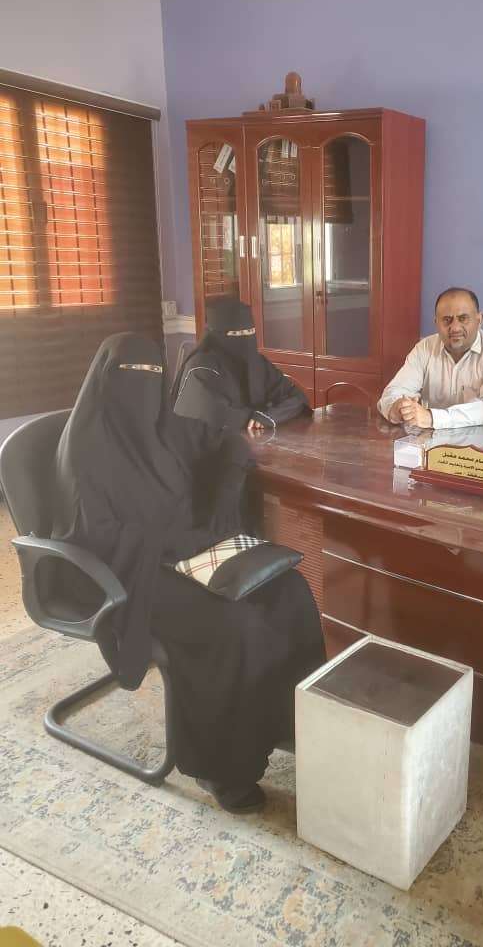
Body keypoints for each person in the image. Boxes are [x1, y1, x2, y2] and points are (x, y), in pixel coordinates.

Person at [52, 333, 325, 813]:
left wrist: (226, 479)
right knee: (233, 625)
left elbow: (222, 441)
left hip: (187, 551)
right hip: (131, 572)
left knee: (290, 592)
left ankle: (286, 723)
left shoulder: (166, 427)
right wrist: (171, 543)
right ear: (105, 381)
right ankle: (221, 768)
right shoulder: (86, 454)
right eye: (131, 376)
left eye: (154, 375)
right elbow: (97, 539)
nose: (143, 388)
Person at [172, 295, 309, 439]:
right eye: (236, 333)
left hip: (253, 442)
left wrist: (267, 417)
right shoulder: (200, 367)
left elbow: (296, 397)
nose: (245, 339)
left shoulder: (257, 363)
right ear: (216, 336)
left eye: (250, 332)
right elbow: (215, 414)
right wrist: (256, 417)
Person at [377, 288, 483, 429]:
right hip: (435, 441)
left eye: (463, 318)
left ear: (479, 320)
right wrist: (397, 408)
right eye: (447, 320)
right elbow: (392, 393)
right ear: (436, 322)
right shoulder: (424, 348)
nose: (455, 328)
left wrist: (431, 418)